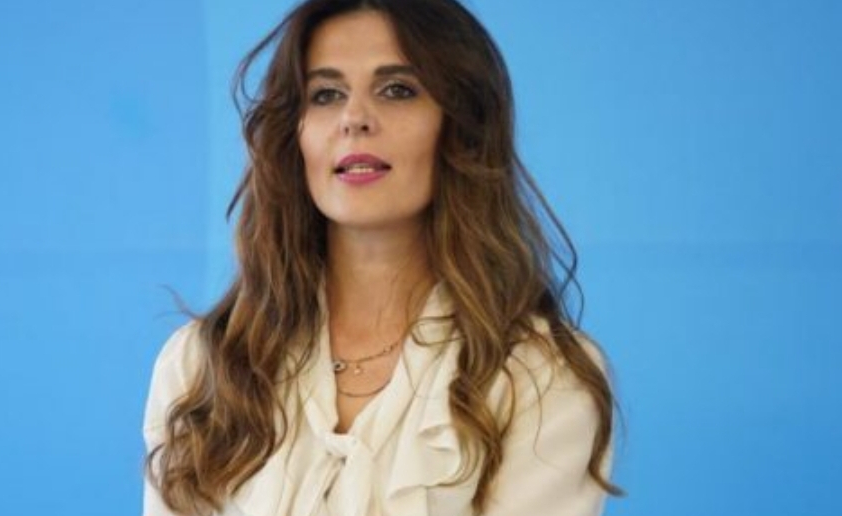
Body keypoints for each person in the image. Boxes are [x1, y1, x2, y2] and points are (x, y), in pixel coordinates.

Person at [143, 0, 622, 514]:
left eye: (397, 90)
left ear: (461, 126)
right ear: (294, 134)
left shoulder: (540, 378)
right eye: (326, 94)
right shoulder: (200, 367)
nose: (354, 119)